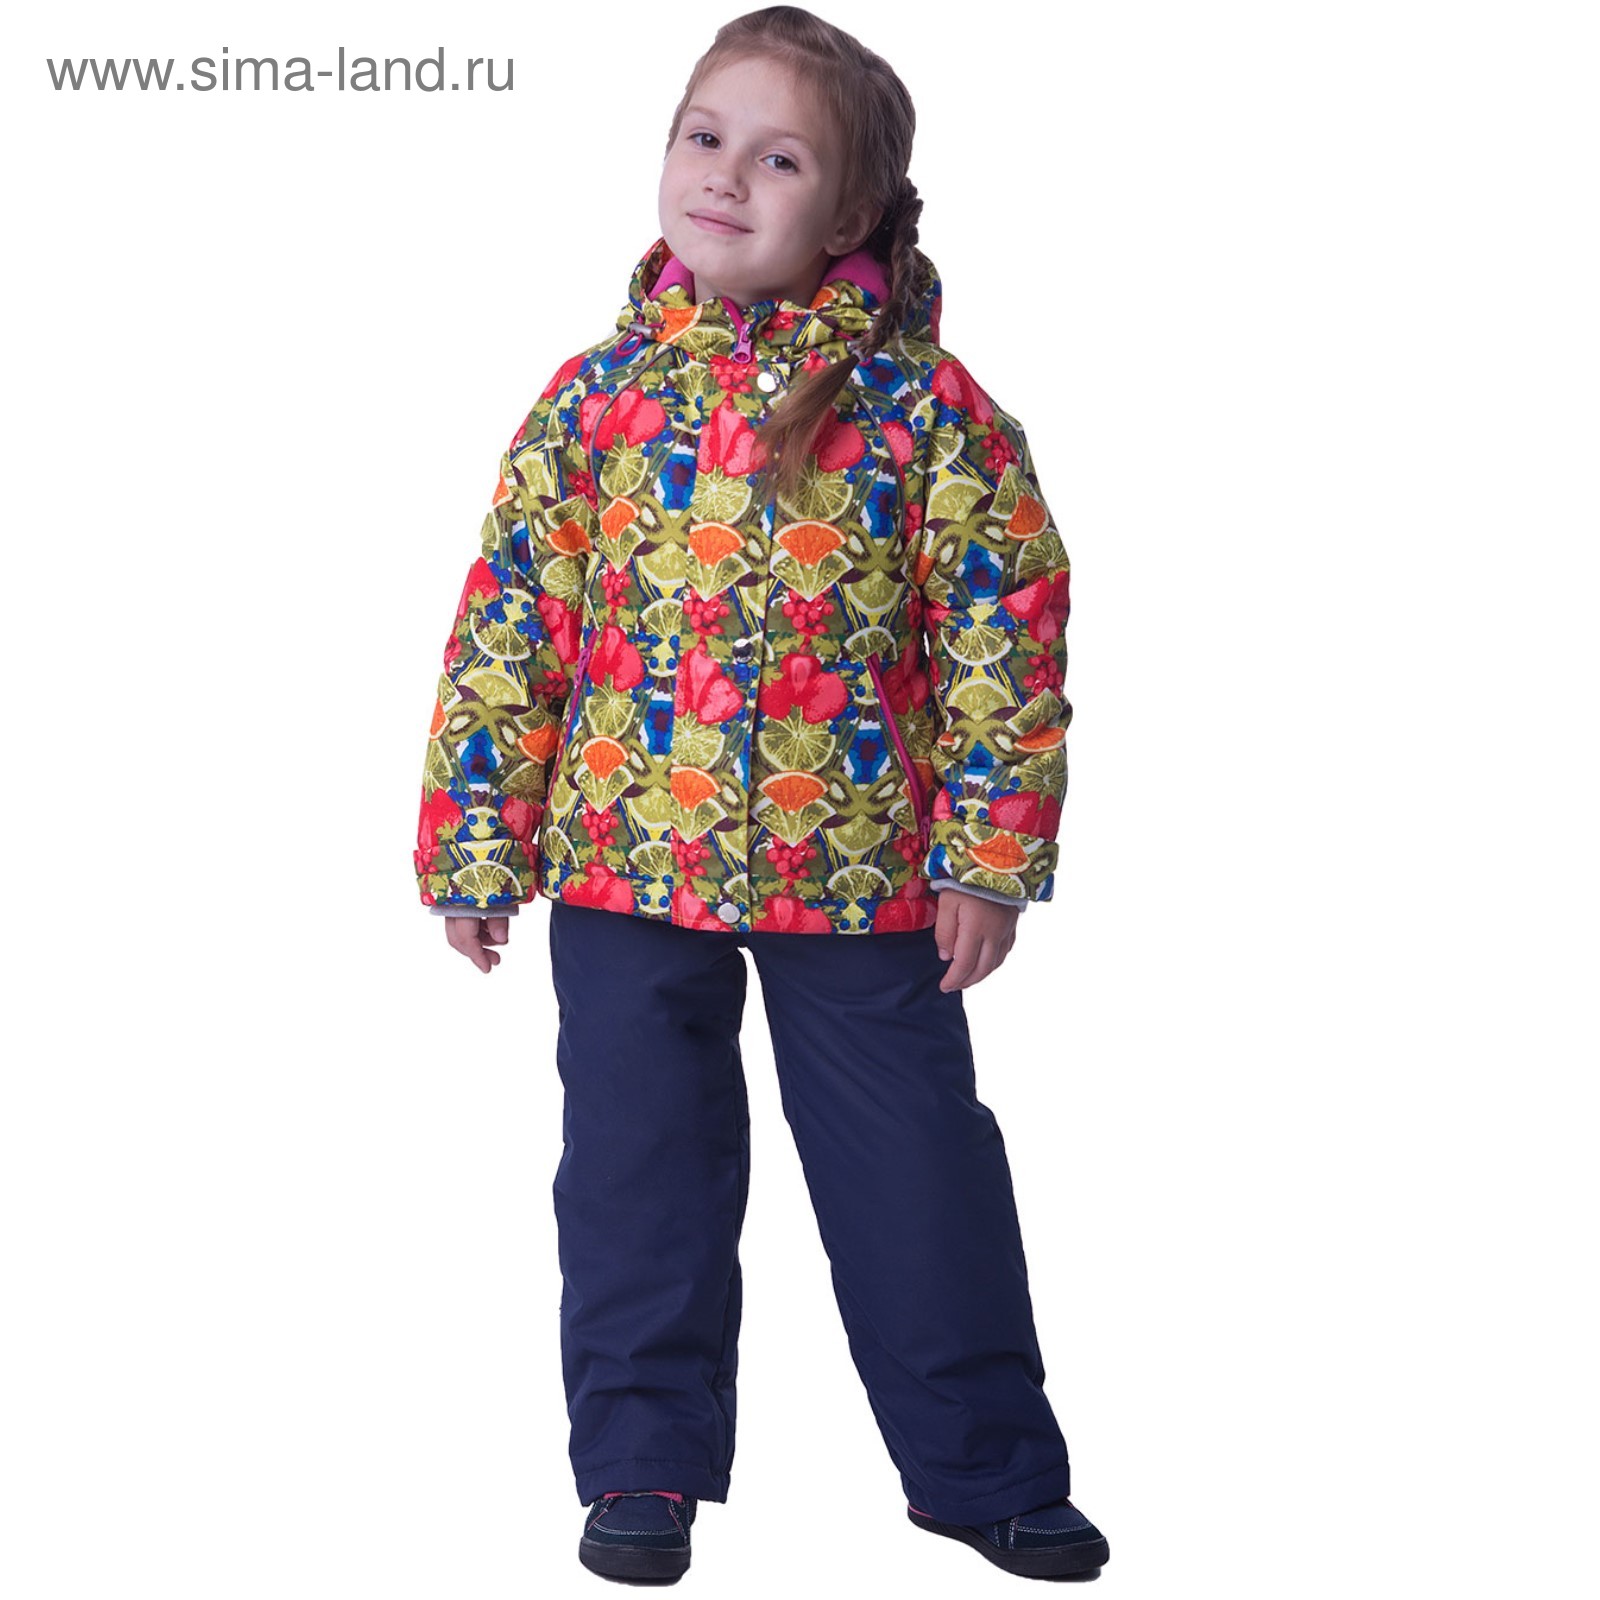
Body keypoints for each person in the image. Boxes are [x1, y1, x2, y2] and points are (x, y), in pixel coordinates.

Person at [411, 5, 1107, 1584]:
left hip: (857, 870)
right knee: (634, 1177)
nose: (725, 175)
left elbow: (1005, 632)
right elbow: (511, 622)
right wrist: (479, 838)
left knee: (915, 1168)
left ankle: (982, 1465)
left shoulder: (929, 416)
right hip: (622, 860)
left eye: (780, 159)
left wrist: (989, 854)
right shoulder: (592, 402)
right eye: (703, 136)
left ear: (850, 213)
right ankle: (641, 1465)